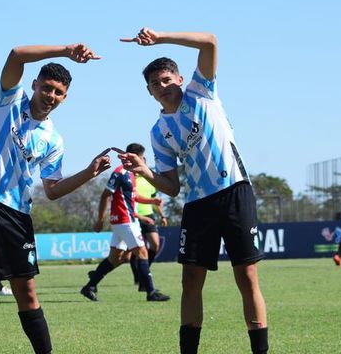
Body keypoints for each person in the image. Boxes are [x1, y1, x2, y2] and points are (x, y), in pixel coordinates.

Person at [0, 42, 111, 354]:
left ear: (65, 98)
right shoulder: (9, 101)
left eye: (59, 93)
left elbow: (52, 189)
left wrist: (90, 172)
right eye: (47, 88)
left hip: (16, 215)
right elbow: (16, 55)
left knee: (27, 292)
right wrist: (65, 51)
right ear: (34, 85)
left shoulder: (54, 139)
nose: (51, 96)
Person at [119, 28, 268, 354]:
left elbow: (210, 41)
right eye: (156, 83)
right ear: (149, 92)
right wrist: (145, 171)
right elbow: (171, 187)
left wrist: (159, 38)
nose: (163, 85)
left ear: (180, 78)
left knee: (246, 276)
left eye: (168, 78)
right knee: (190, 281)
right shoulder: (158, 131)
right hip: (198, 204)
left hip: (234, 192)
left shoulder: (202, 92)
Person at [80, 143, 170, 302]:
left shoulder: (132, 174)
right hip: (124, 220)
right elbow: (105, 195)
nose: (143, 161)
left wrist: (151, 201)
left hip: (126, 221)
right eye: (142, 158)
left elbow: (132, 198)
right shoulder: (119, 173)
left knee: (114, 259)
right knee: (142, 253)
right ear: (134, 157)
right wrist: (100, 220)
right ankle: (150, 291)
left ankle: (90, 287)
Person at [128, 149, 168, 291]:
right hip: (135, 217)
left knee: (155, 245)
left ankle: (144, 274)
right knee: (133, 252)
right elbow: (134, 198)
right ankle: (140, 279)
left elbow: (155, 201)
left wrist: (162, 215)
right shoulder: (130, 179)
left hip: (149, 216)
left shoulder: (149, 180)